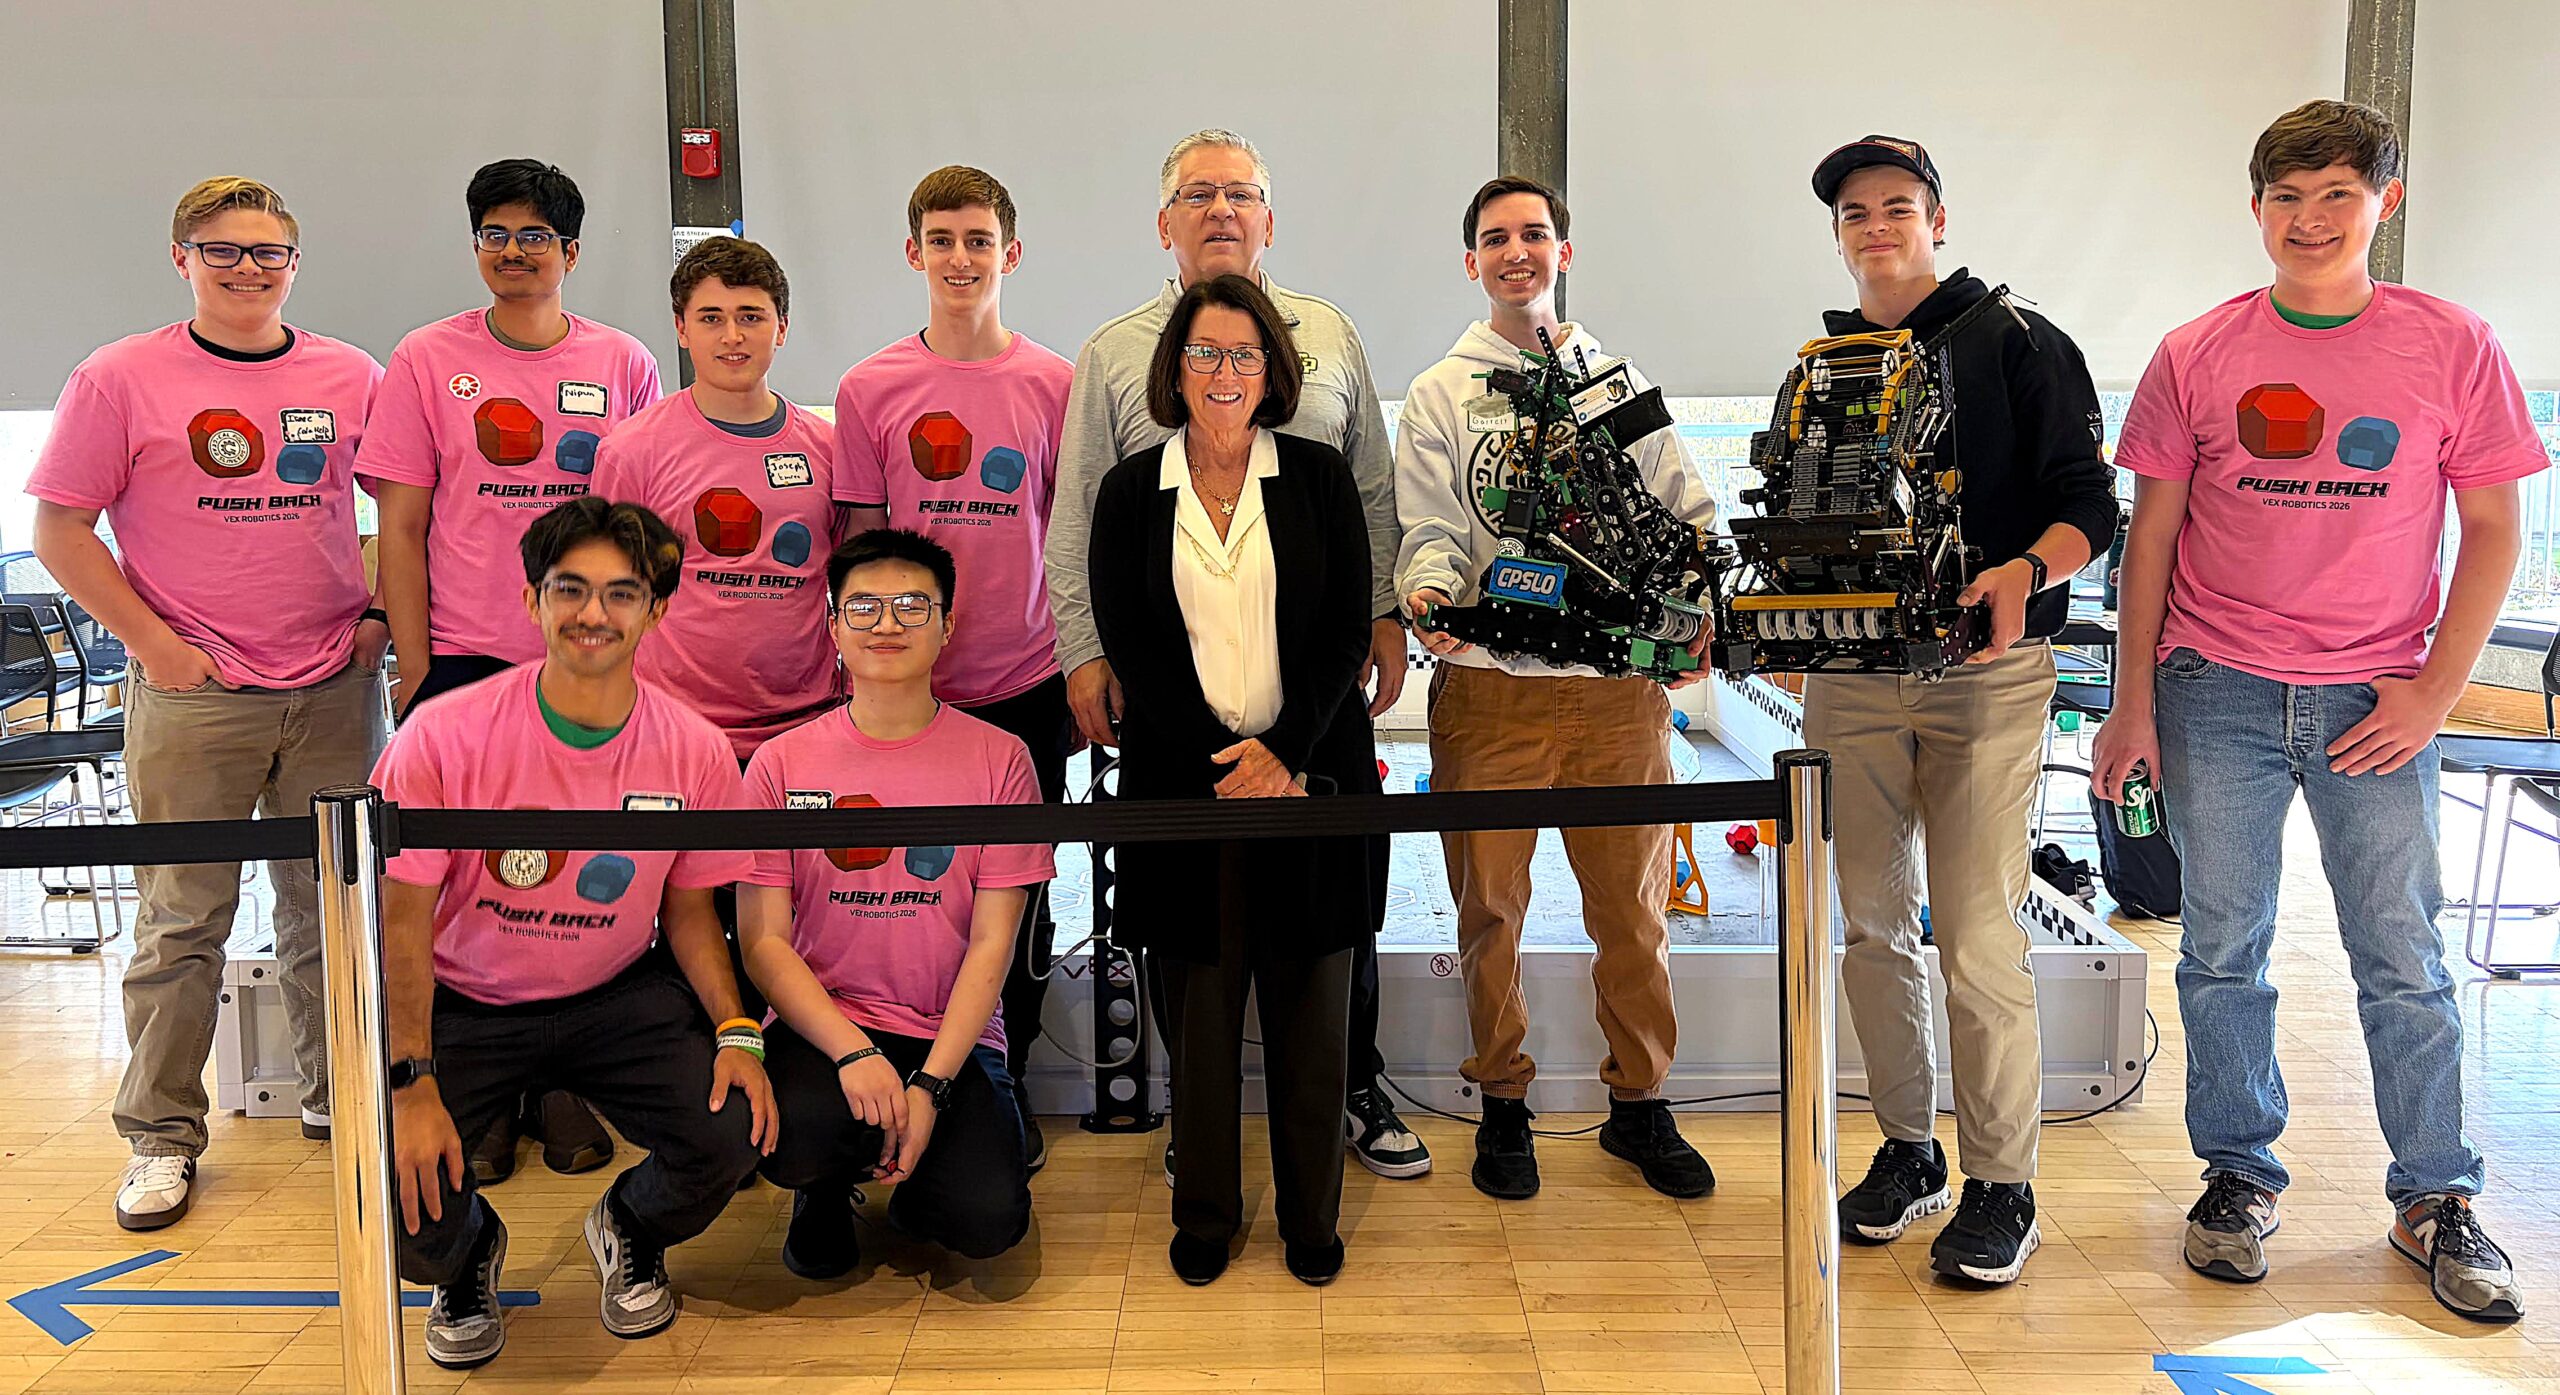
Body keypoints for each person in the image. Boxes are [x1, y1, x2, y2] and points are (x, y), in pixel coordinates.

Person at [2095, 100, 2542, 1322]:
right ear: (2255, 210)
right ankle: (2238, 1173)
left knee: (2401, 959)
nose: (2309, 220)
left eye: (2336, 195)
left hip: (2375, 697)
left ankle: (2435, 1195)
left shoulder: (2454, 345)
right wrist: (2129, 705)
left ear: (2382, 204)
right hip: (2214, 690)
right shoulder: (2196, 353)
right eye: (2286, 199)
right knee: (2219, 951)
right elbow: (2151, 542)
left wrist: (2435, 691)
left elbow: (2495, 528)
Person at [1046, 128, 1426, 1181]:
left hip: (1313, 691)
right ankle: (1198, 1117)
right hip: (1174, 702)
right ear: (1162, 224)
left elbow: (1372, 491)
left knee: (1335, 890)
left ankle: (1353, 1085)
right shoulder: (1114, 352)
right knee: (1189, 919)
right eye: (1197, 195)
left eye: (1240, 195)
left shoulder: (1332, 333)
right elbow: (1080, 510)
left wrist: (1385, 614)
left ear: (1270, 219)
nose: (1220, 211)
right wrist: (1083, 650)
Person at [29, 176, 389, 1229]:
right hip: (195, 697)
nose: (247, 269)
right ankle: (158, 1136)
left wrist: (377, 622)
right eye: (221, 250)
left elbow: (395, 512)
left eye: (267, 252)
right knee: (183, 920)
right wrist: (156, 647)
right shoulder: (120, 377)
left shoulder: (348, 373)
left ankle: (340, 1104)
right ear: (180, 258)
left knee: (331, 915)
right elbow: (62, 531)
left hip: (330, 687)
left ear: (294, 263)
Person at [1791, 136, 2119, 1285]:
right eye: (1854, 213)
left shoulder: (2016, 340)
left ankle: (2002, 1182)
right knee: (1873, 930)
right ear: (1837, 233)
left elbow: (2092, 503)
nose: (1875, 226)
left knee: (1978, 934)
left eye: (1896, 207)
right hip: (1851, 676)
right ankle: (1906, 1149)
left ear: (1937, 217)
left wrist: (2024, 572)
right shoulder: (1825, 363)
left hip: (1985, 673)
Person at [375, 498, 775, 1369]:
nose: (594, 613)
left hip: (616, 995)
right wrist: (409, 1078)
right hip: (467, 1003)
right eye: (571, 589)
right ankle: (467, 1255)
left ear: (655, 611)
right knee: (396, 1201)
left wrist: (738, 1030)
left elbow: (692, 915)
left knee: (733, 1125)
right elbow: (401, 922)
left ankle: (627, 1222)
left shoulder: (697, 751)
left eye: (621, 593)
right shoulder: (442, 735)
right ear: (532, 602)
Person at [1394, 176, 1716, 1203]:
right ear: (1470, 262)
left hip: (1620, 695)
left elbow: (1683, 501)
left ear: (1562, 252)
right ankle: (1500, 1105)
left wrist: (1706, 594)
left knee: (1632, 913)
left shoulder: (1617, 384)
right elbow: (1432, 527)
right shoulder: (1442, 391)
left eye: (1533, 234)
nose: (1515, 252)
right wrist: (1428, 587)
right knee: (1491, 913)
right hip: (1489, 694)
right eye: (1495, 238)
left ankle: (1640, 1104)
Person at [358, 157, 663, 1180]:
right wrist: (414, 661)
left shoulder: (622, 361)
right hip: (467, 660)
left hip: (588, 661)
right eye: (496, 233)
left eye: (536, 236)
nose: (514, 252)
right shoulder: (424, 358)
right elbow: (398, 525)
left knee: (578, 868)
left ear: (571, 253)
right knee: (461, 889)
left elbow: (636, 528)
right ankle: (472, 1088)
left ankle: (565, 1081)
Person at [1088, 275, 1377, 1286]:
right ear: (1173, 367)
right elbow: (1130, 639)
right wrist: (1224, 759)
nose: (1223, 372)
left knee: (1312, 1028)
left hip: (1309, 789)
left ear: (1273, 372)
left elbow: (1347, 630)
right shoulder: (1130, 492)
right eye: (1204, 353)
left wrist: (1282, 753)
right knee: (1200, 1035)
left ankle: (1312, 1224)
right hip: (1185, 793)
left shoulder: (1317, 479)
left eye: (1243, 355)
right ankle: (1204, 1218)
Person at [834, 167, 1074, 1171]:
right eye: (942, 239)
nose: (961, 258)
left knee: (1014, 900)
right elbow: (851, 550)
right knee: (883, 893)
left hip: (1024, 689)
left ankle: (996, 1085)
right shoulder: (869, 389)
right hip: (901, 699)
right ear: (913, 254)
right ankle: (880, 1084)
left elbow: (1072, 543)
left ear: (1010, 254)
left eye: (979, 240)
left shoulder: (1057, 386)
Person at [739, 528, 1046, 1278]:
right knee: (793, 1135)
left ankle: (914, 1186)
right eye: (865, 606)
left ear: (947, 625)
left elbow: (992, 944)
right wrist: (854, 1050)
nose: (887, 623)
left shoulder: (1000, 758)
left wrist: (933, 1086)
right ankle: (825, 1187)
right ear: (833, 625)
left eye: (912, 605)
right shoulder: (780, 762)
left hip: (951, 1037)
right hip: (827, 1029)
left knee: (986, 1221)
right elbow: (762, 943)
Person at [591, 235, 840, 760]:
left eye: (751, 316)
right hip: (671, 733)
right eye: (710, 318)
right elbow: (607, 599)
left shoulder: (830, 450)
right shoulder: (631, 452)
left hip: (806, 726)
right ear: (681, 329)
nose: (733, 336)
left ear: (783, 327)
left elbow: (852, 586)